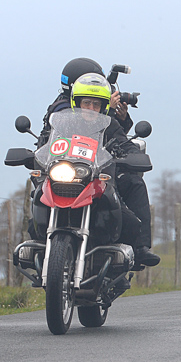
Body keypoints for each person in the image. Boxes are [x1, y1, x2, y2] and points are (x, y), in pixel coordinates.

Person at [38, 59, 159, 267]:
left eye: (96, 104)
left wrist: (130, 156)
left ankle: (139, 248)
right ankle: (40, 247)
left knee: (129, 211)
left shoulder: (108, 123)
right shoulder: (62, 117)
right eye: (87, 103)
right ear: (77, 101)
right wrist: (37, 154)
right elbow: (46, 140)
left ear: (103, 106)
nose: (91, 108)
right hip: (67, 173)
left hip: (96, 175)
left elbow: (123, 142)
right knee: (39, 196)